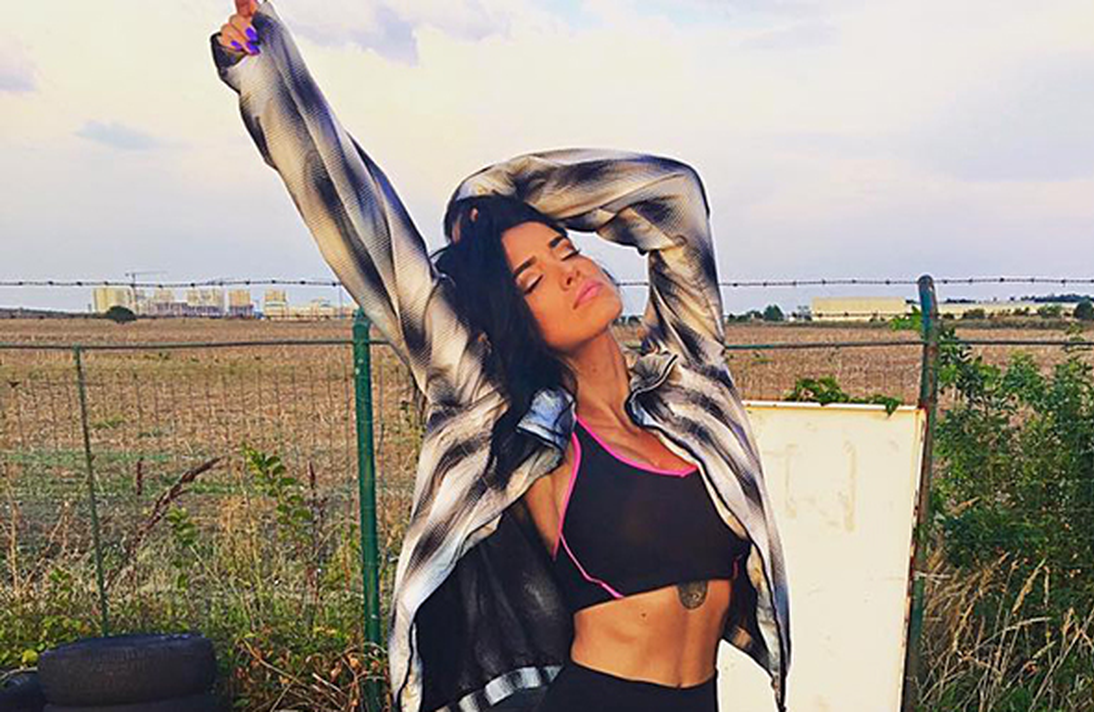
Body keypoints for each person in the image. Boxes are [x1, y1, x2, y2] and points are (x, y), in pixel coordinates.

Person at [210, 3, 791, 711]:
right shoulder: (510, 421)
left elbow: (674, 199)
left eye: (566, 250)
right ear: (506, 323)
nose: (570, 273)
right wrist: (265, 76)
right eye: (532, 281)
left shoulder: (686, 388)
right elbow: (369, 239)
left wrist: (492, 195)